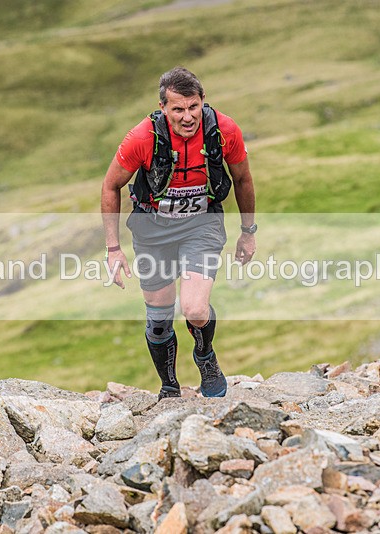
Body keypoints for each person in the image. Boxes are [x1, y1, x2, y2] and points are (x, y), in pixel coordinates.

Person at [101, 67, 257, 400]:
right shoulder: (143, 137)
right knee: (159, 318)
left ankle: (205, 357)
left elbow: (243, 179)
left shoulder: (224, 130)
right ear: (163, 109)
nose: (187, 117)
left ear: (203, 102)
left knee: (195, 310)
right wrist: (113, 249)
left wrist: (248, 231)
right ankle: (169, 387)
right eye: (178, 109)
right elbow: (111, 185)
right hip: (152, 228)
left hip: (202, 223)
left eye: (193, 107)